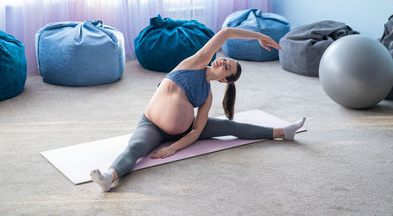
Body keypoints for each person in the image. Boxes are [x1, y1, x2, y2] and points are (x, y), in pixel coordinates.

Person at [90, 27, 306, 192]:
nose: (222, 60)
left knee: (231, 127)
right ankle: (110, 176)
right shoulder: (197, 61)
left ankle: (282, 132)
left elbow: (195, 131)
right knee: (135, 148)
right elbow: (227, 33)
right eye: (225, 59)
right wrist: (258, 36)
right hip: (151, 125)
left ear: (223, 79)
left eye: (226, 66)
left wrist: (174, 147)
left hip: (183, 132)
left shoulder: (207, 96)